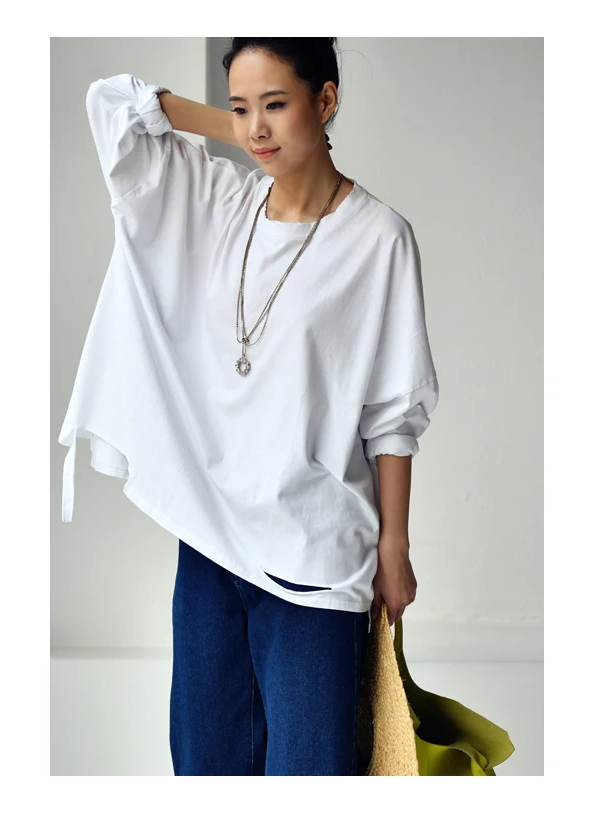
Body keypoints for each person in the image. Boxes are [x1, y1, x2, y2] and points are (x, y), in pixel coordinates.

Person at [58, 37, 439, 775]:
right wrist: (236, 127)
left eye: (276, 104)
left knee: (311, 775)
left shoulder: (379, 239)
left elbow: (392, 414)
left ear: (326, 100)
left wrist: (394, 546)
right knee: (206, 770)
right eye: (241, 107)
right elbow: (113, 106)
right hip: (210, 548)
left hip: (314, 562)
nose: (256, 128)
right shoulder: (220, 201)